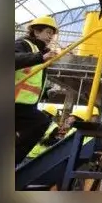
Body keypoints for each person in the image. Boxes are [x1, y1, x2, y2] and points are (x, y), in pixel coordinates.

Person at [15, 15, 59, 164]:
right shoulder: (23, 44)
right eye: (48, 32)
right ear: (36, 31)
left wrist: (46, 92)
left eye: (52, 34)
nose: (51, 36)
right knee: (39, 122)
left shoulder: (39, 52)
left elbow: (32, 79)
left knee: (39, 123)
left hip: (25, 104)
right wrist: (40, 57)